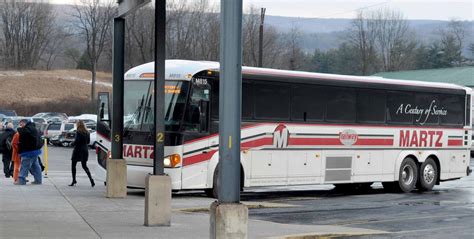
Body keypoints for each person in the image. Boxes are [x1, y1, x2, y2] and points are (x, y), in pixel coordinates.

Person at [17, 119, 43, 185]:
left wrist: (19, 129)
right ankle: (38, 180)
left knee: (24, 166)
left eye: (21, 124)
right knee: (35, 166)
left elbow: (23, 132)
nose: (20, 126)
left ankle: (21, 181)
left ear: (24, 123)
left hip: (28, 152)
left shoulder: (28, 129)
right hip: (35, 151)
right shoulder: (33, 128)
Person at [69, 120, 94, 187]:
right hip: (85, 150)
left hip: (78, 150)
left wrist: (71, 143)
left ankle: (74, 180)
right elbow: (88, 142)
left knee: (73, 165)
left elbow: (77, 141)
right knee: (84, 166)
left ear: (78, 125)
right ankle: (91, 179)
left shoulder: (78, 132)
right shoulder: (87, 132)